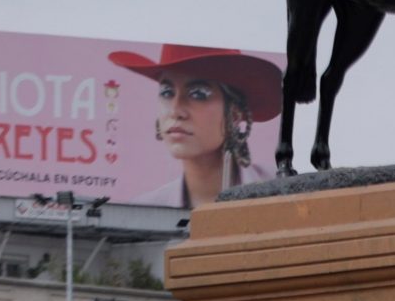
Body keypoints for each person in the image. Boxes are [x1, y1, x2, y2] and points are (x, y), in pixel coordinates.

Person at [107, 45, 286, 207]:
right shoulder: (145, 210)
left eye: (198, 94)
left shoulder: (282, 192)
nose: (176, 110)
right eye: (167, 92)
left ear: (234, 114)